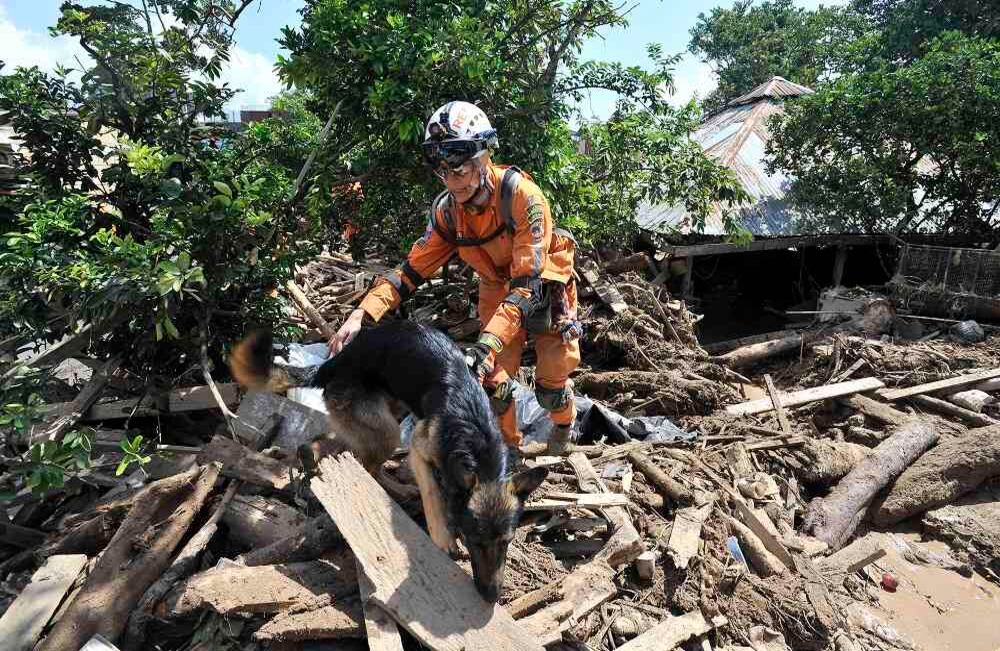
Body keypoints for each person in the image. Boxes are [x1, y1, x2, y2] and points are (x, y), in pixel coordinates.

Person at [329, 101, 583, 454]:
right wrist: (363, 313)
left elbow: (527, 285)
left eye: (459, 170)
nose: (452, 181)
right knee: (494, 383)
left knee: (550, 387)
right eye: (443, 172)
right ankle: (507, 451)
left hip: (543, 286)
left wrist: (486, 344)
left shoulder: (525, 199)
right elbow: (410, 272)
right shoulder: (448, 213)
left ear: (482, 158)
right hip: (497, 287)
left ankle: (564, 422)